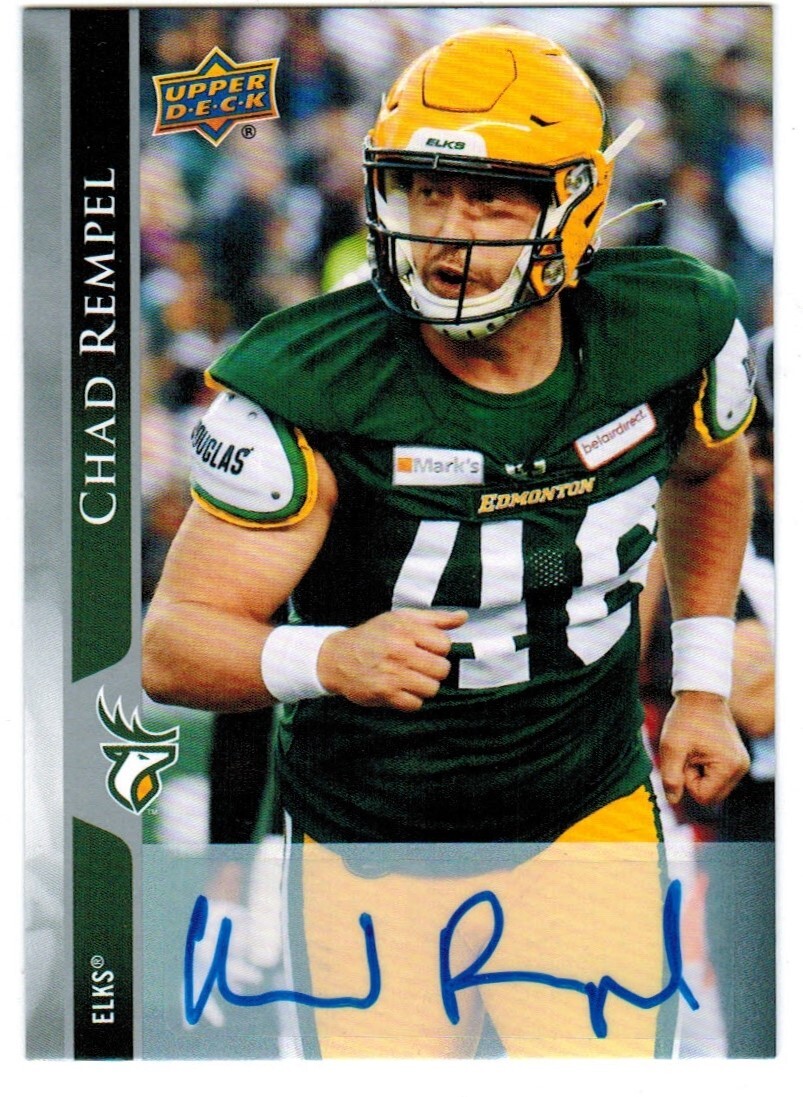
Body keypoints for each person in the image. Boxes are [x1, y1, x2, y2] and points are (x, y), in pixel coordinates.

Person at [143, 26, 755, 1058]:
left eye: (490, 198)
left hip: (582, 814)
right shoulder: (313, 384)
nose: (445, 231)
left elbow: (709, 469)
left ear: (575, 203)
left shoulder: (670, 326)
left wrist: (699, 682)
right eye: (423, 191)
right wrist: (327, 656)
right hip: (369, 843)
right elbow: (172, 645)